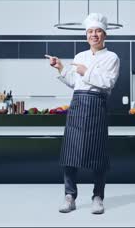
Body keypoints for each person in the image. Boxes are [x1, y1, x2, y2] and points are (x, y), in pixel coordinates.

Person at [46, 13, 120, 214]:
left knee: (98, 155)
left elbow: (107, 82)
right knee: (70, 153)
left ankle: (98, 197)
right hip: (77, 104)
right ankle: (70, 196)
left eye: (97, 31)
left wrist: (85, 71)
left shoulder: (112, 57)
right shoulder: (80, 56)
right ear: (86, 35)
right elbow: (74, 82)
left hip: (97, 105)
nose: (93, 35)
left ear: (105, 34)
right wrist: (60, 67)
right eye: (89, 31)